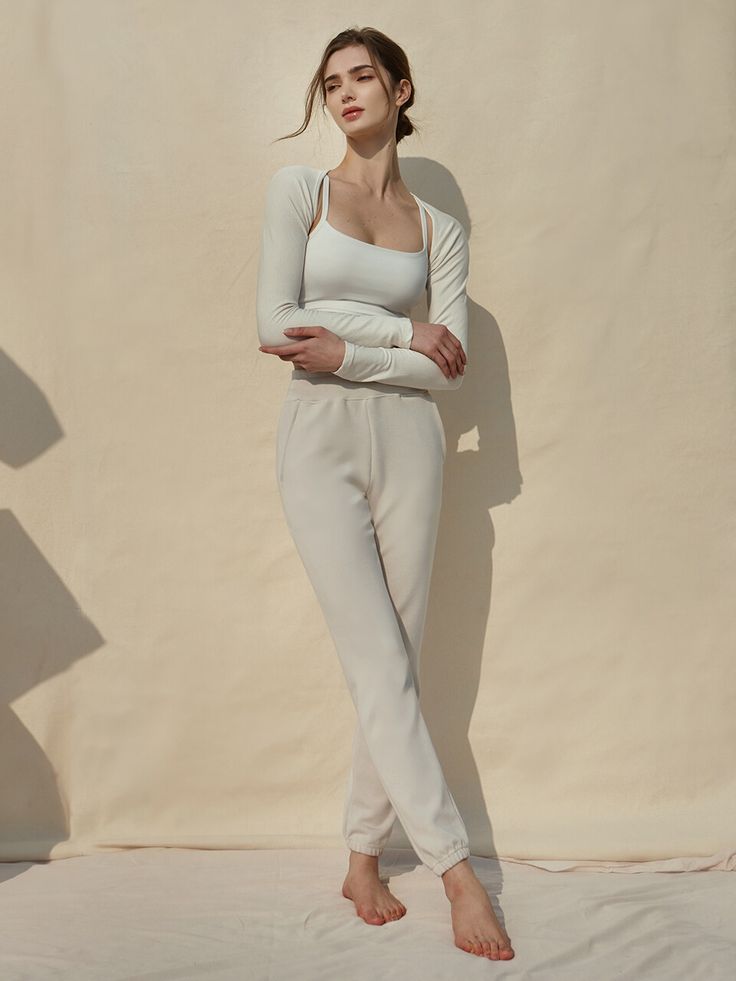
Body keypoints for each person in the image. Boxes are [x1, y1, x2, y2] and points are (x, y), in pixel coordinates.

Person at [256, 26, 514, 963]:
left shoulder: (441, 229)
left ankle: (364, 855)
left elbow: (451, 372)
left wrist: (364, 347)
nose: (345, 94)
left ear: (401, 89)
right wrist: (400, 339)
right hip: (318, 434)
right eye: (331, 83)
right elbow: (277, 325)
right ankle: (453, 869)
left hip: (412, 439)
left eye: (363, 76)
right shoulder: (299, 192)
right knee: (374, 653)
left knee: (394, 653)